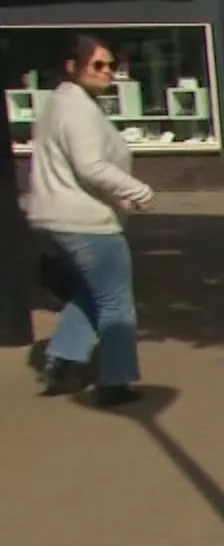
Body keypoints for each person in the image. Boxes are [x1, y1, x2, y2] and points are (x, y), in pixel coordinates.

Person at [27, 34, 153, 406]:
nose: (107, 72)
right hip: (87, 223)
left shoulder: (58, 103)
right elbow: (90, 166)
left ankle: (63, 365)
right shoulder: (78, 107)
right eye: (98, 64)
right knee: (116, 301)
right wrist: (137, 190)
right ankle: (115, 381)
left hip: (60, 217)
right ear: (71, 66)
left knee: (92, 293)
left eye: (111, 65)